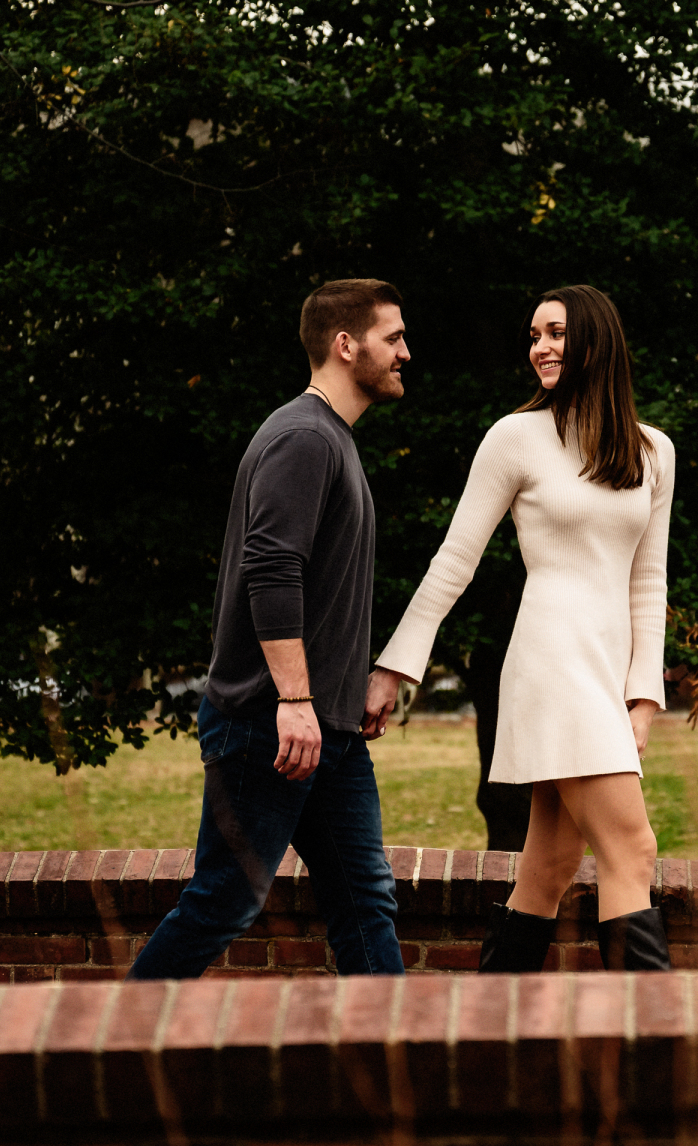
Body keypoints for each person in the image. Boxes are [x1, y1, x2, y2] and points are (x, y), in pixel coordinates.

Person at [362, 285, 675, 971]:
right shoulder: (515, 437)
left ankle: (492, 1021)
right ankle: (653, 1032)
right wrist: (395, 666)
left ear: (595, 340)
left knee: (550, 865)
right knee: (632, 849)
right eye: (534, 336)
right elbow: (456, 559)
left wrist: (643, 696)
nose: (541, 348)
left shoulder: (653, 451)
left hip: (605, 669)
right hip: (551, 663)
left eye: (556, 333)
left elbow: (648, 583)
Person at [129, 279, 411, 980]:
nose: (405, 352)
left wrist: (339, 692)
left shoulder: (329, 438)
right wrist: (293, 699)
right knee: (224, 901)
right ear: (346, 345)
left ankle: (395, 1043)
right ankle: (110, 1035)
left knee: (365, 902)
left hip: (326, 731)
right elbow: (272, 568)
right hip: (271, 724)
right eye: (393, 337)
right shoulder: (304, 437)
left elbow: (318, 591)